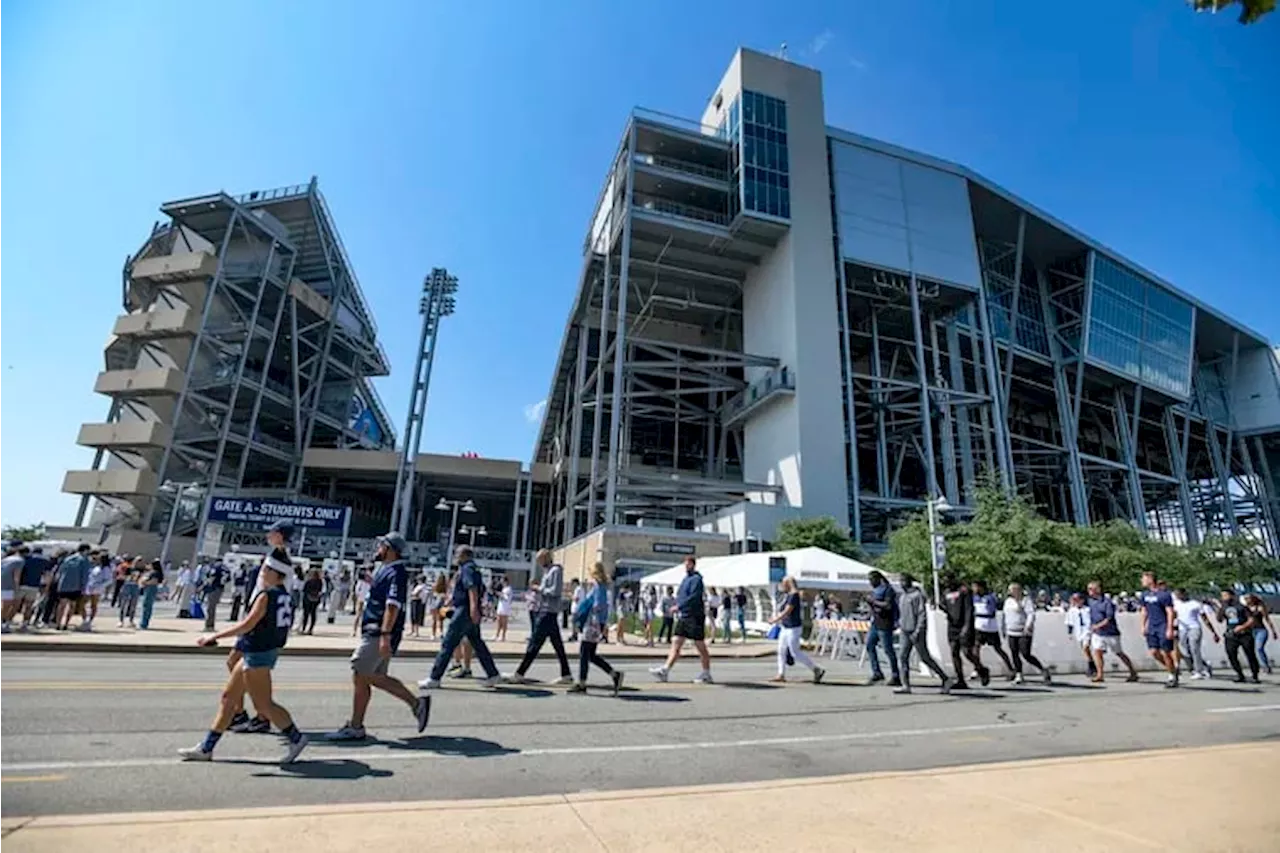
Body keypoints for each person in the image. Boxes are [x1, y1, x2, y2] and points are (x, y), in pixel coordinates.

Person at [180, 548, 308, 764]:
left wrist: (215, 636)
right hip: (257, 651)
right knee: (229, 698)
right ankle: (206, 748)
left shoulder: (266, 596)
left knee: (264, 705)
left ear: (277, 574)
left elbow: (248, 624)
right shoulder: (285, 596)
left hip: (258, 653)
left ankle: (296, 738)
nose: (262, 572)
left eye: (267, 569)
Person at [329, 534, 431, 740]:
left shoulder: (397, 573)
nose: (378, 548)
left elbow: (392, 606)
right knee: (368, 677)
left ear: (390, 549)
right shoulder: (386, 569)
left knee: (360, 671)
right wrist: (371, 581)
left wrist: (385, 635)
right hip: (375, 629)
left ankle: (414, 705)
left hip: (379, 632)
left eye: (382, 545)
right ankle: (359, 725)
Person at [420, 546, 502, 689]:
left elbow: (472, 589)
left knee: (448, 643)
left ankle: (434, 678)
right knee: (477, 643)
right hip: (466, 609)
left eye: (457, 554)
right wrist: (453, 602)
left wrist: (473, 609)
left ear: (464, 555)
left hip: (463, 611)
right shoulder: (474, 569)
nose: (455, 557)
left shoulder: (467, 569)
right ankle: (493, 674)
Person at [504, 550, 573, 684]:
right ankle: (566, 674)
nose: (539, 563)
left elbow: (555, 591)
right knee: (557, 645)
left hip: (548, 611)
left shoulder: (555, 571)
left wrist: (538, 588)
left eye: (540, 560)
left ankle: (519, 673)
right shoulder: (548, 572)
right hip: (547, 610)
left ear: (546, 558)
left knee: (534, 643)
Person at [649, 556, 713, 683]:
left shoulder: (697, 580)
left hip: (695, 616)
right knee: (676, 642)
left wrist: (679, 606)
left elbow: (694, 597)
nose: (686, 566)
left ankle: (706, 673)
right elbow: (681, 595)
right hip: (684, 616)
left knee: (700, 645)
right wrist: (678, 605)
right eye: (685, 564)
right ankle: (665, 671)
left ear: (693, 565)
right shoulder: (685, 579)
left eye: (688, 564)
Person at [569, 562, 624, 695]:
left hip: (592, 623)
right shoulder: (603, 586)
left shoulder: (598, 586)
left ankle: (582, 683)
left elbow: (598, 605)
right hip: (596, 623)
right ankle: (614, 674)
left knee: (584, 653)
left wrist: (586, 610)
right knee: (591, 655)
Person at [895, 573, 950, 694]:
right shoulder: (902, 596)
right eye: (900, 581)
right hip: (905, 630)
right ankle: (905, 685)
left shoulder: (917, 595)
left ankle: (945, 678)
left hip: (916, 631)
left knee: (925, 657)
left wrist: (918, 630)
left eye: (903, 580)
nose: (901, 583)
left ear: (909, 581)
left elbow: (922, 615)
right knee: (903, 657)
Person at [768, 577, 825, 684]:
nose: (782, 586)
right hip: (785, 627)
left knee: (795, 652)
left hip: (793, 628)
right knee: (781, 650)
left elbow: (787, 611)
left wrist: (775, 620)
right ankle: (781, 674)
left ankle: (816, 669)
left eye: (784, 583)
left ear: (788, 584)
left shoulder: (794, 595)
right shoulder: (788, 595)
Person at [1087, 581, 1139, 683]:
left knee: (1119, 652)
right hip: (1098, 633)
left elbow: (1109, 618)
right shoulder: (1090, 602)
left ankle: (1133, 672)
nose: (1089, 591)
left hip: (1110, 632)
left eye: (1091, 589)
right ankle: (1100, 674)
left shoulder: (1107, 602)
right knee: (1097, 652)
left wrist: (1098, 625)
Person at [942, 576, 987, 689]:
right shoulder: (946, 592)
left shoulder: (964, 591)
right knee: (954, 652)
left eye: (948, 581)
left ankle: (981, 669)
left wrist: (966, 626)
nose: (947, 583)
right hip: (952, 626)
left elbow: (969, 610)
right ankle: (960, 679)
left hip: (964, 625)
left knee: (967, 652)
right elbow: (944, 605)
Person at [1003, 583, 1050, 684]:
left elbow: (1030, 614)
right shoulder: (1008, 601)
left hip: (1023, 631)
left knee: (1025, 653)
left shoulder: (1025, 600)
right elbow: (1005, 615)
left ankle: (1042, 669)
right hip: (1011, 630)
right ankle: (1019, 674)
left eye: (1014, 590)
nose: (1011, 592)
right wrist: (1004, 628)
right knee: (1014, 653)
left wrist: (1028, 626)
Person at [1139, 571, 1179, 688]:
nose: (1142, 581)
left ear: (1151, 579)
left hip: (1163, 625)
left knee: (1165, 652)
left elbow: (1170, 612)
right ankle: (1171, 669)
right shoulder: (1145, 595)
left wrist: (1169, 628)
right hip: (1152, 626)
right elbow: (1144, 611)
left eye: (1144, 579)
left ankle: (1172, 675)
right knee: (1154, 652)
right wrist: (1143, 625)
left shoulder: (1164, 595)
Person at [1213, 589, 1260, 683]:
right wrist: (1218, 608)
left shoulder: (1241, 607)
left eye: (1226, 595)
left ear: (1232, 596)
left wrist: (1242, 627)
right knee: (1231, 654)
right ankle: (1240, 674)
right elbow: (1219, 620)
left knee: (1250, 654)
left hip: (1244, 634)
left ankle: (1255, 675)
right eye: (1222, 596)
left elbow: (1251, 620)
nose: (1224, 598)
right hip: (1231, 634)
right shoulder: (1224, 607)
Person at [971, 580, 1014, 679]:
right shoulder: (974, 598)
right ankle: (977, 669)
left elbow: (992, 609)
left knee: (998, 648)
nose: (974, 589)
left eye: (975, 587)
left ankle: (1011, 669)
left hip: (990, 626)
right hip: (978, 626)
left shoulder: (990, 597)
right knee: (975, 648)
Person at [865, 571, 901, 686]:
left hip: (885, 623)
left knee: (888, 649)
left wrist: (873, 601)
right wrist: (870, 604)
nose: (870, 582)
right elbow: (874, 606)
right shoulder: (875, 591)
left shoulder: (888, 590)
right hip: (875, 622)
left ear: (878, 579)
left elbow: (888, 605)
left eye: (871, 580)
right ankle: (877, 672)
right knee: (869, 645)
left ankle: (896, 675)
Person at [1173, 589, 1217, 680]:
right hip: (1182, 629)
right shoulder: (1176, 604)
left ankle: (1199, 671)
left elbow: (1205, 618)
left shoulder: (1195, 604)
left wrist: (1213, 632)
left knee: (1194, 648)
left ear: (1184, 594)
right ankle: (1203, 665)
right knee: (1184, 650)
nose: (1178, 597)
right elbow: (1173, 616)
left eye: (1179, 594)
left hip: (1194, 627)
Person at [55, 544, 92, 631]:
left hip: (63, 584)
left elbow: (60, 571)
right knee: (72, 606)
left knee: (61, 605)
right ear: (85, 550)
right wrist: (83, 588)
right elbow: (84, 575)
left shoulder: (68, 559)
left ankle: (58, 623)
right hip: (76, 586)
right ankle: (66, 624)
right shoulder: (84, 560)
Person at [15, 546, 48, 631]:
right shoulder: (44, 561)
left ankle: (7, 621)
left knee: (15, 605)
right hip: (34, 585)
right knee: (29, 606)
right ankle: (25, 623)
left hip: (22, 584)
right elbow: (47, 574)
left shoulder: (26, 558)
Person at [1064, 592, 1096, 677]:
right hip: (1079, 632)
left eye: (1077, 599)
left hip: (1087, 631)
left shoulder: (1088, 610)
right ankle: (1092, 663)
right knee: (1085, 649)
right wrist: (1070, 633)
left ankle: (1091, 665)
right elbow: (1069, 622)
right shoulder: (1072, 611)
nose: (1075, 601)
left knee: (1086, 647)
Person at [1245, 594, 1276, 676]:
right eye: (1246, 599)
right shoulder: (1246, 609)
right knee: (1250, 649)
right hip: (1250, 631)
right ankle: (1255, 667)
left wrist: (1273, 631)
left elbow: (1267, 619)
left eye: (1248, 598)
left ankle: (1266, 666)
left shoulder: (1260, 608)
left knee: (1259, 648)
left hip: (1260, 630)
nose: (1247, 600)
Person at [0, 542, 23, 632]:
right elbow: (16, 576)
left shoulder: (4, 560)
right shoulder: (18, 561)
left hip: (2, 584)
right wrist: (17, 588)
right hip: (9, 586)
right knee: (6, 606)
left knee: (3, 605)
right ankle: (2, 624)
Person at [139, 559, 164, 629]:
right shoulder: (152, 572)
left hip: (151, 588)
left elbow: (154, 581)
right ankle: (144, 622)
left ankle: (144, 623)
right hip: (149, 588)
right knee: (146, 605)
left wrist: (145, 583)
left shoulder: (155, 573)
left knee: (147, 605)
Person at [429, 573, 447, 639]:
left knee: (434, 620)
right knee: (441, 620)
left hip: (434, 604)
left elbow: (431, 596)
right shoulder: (445, 586)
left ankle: (433, 634)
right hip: (442, 604)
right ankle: (441, 633)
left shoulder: (435, 586)